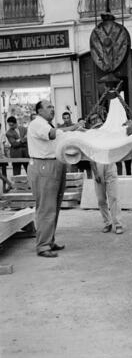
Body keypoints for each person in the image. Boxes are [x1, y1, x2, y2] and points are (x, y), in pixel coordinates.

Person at [27, 100, 84, 258]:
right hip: (44, 165)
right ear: (39, 111)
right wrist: (73, 127)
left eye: (52, 106)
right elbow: (52, 135)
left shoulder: (48, 124)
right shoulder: (38, 124)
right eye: (48, 107)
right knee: (46, 207)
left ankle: (49, 240)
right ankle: (43, 246)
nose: (52, 109)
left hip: (55, 164)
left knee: (54, 206)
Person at [88, 114, 123, 234]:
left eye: (97, 119)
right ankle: (107, 222)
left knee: (114, 196)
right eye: (93, 120)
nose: (96, 122)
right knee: (101, 199)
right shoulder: (91, 136)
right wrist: (95, 171)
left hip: (110, 163)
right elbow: (90, 155)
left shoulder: (109, 133)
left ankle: (118, 223)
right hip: (97, 165)